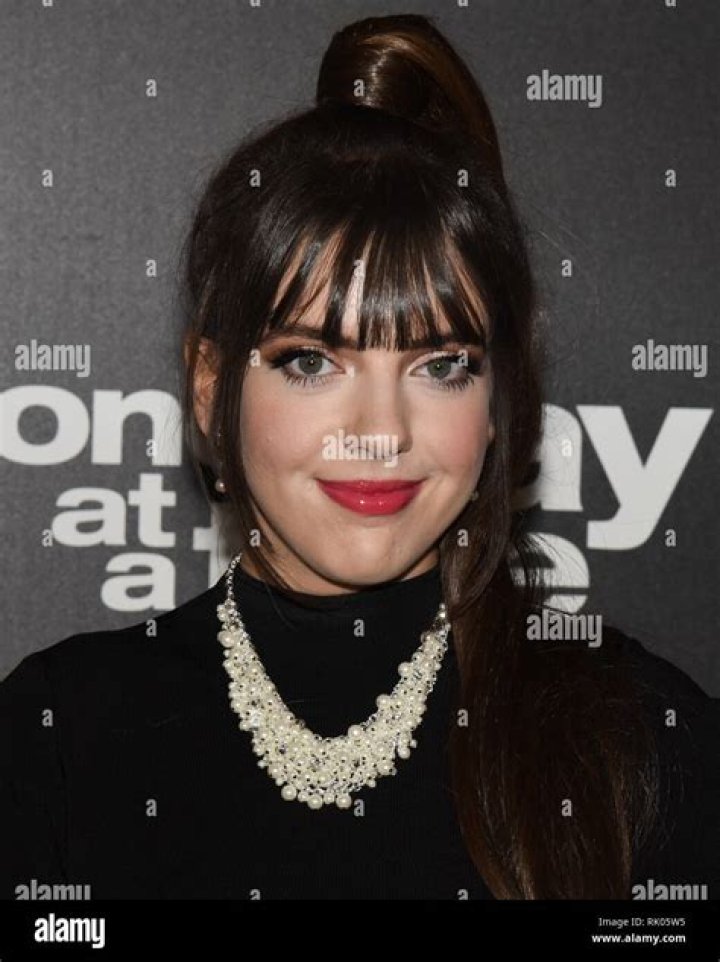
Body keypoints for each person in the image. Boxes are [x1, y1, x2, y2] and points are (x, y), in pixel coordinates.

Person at [1, 13, 718, 901]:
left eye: (441, 366)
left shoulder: (643, 740)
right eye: (312, 361)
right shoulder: (59, 737)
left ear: (499, 399)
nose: (380, 431)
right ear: (210, 387)